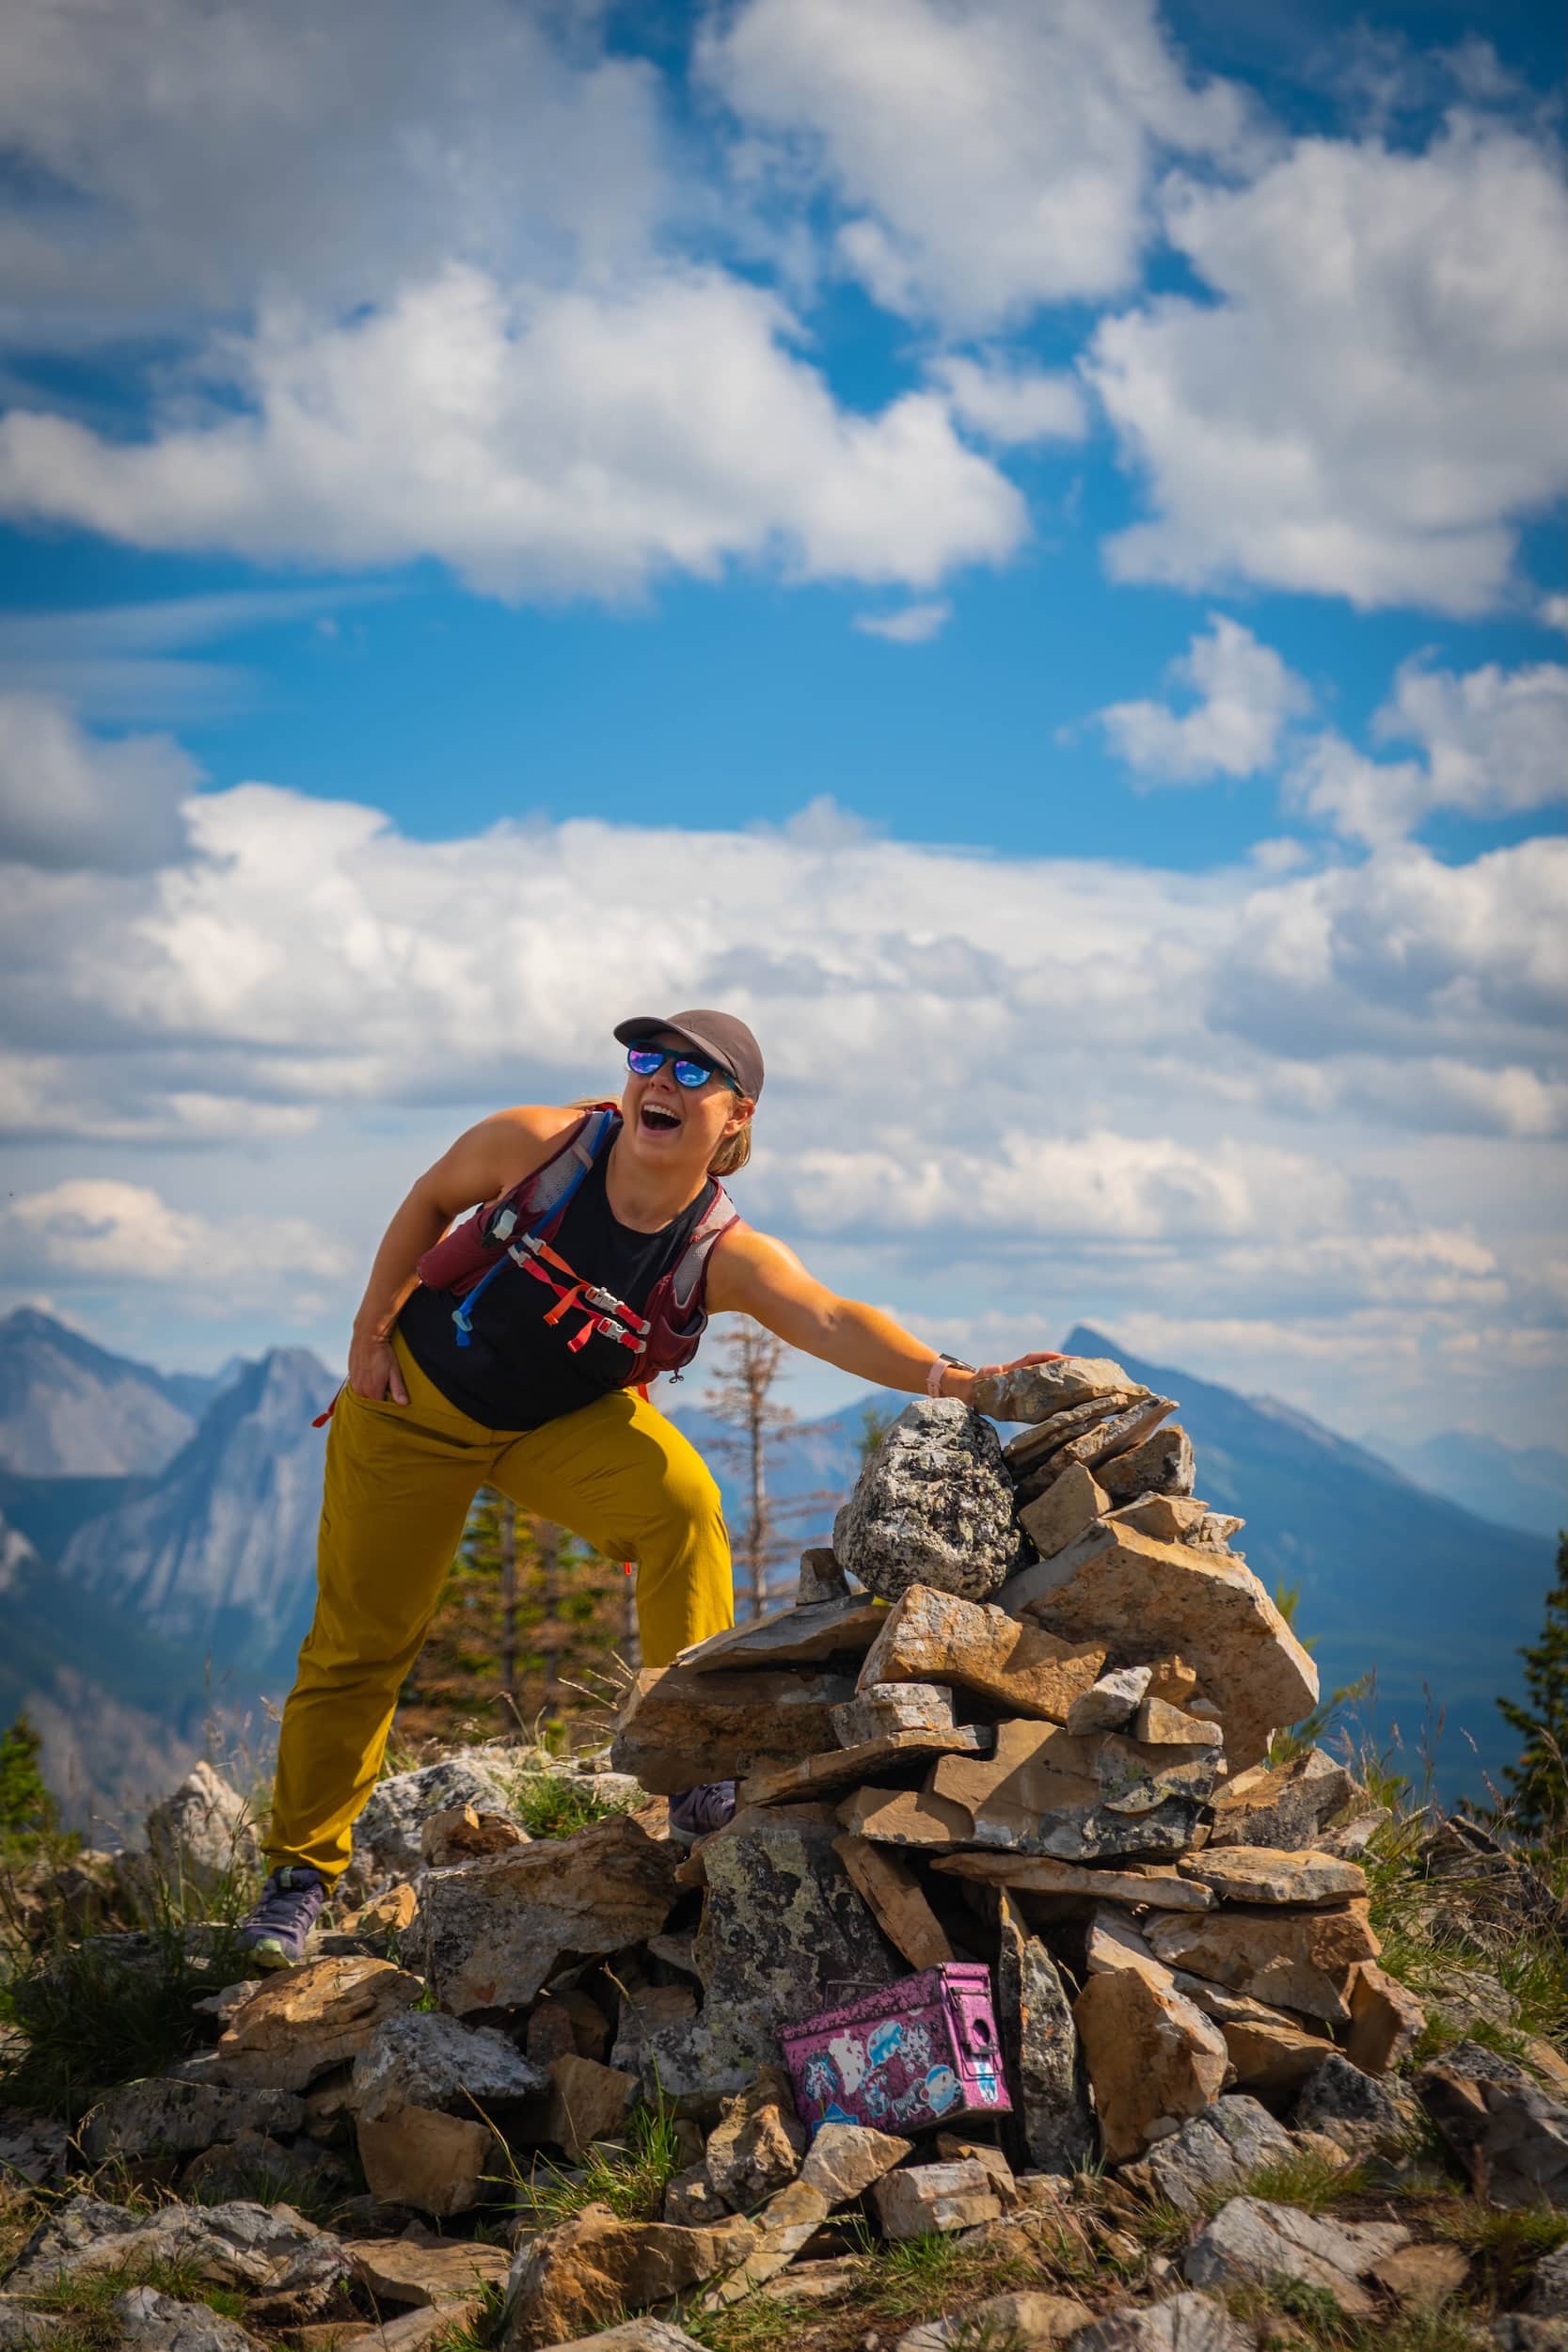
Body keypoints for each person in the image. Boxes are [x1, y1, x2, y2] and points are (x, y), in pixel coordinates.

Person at [239, 1009, 1060, 1966]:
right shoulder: (537, 1146)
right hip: (411, 1409)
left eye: (690, 1073)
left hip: (556, 1426)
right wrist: (366, 1336)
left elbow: (830, 1315)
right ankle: (299, 1876)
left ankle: (695, 1769)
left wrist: (961, 1381)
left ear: (736, 1116)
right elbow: (428, 1200)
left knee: (681, 1506)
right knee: (360, 1644)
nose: (657, 1080)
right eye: (646, 1060)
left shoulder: (715, 1250)